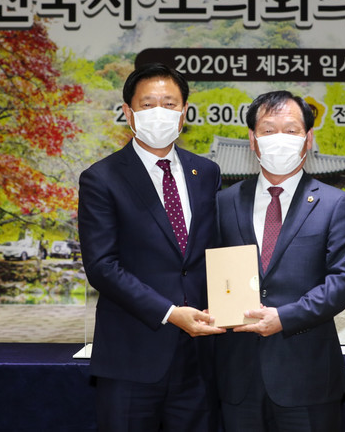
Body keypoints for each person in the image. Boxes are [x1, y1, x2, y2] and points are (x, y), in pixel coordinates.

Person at [78, 63, 225, 431]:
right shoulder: (101, 178)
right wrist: (170, 312)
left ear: (184, 112)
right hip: (132, 357)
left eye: (169, 103)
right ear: (128, 112)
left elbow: (215, 251)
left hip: (199, 357)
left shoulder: (206, 172)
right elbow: (102, 267)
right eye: (147, 104)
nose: (159, 112)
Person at [213, 91, 345, 431]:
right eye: (268, 130)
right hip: (237, 376)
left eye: (291, 130)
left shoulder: (335, 204)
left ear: (308, 139)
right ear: (252, 139)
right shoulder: (224, 202)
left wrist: (285, 317)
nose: (279, 138)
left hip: (307, 376)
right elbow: (209, 272)